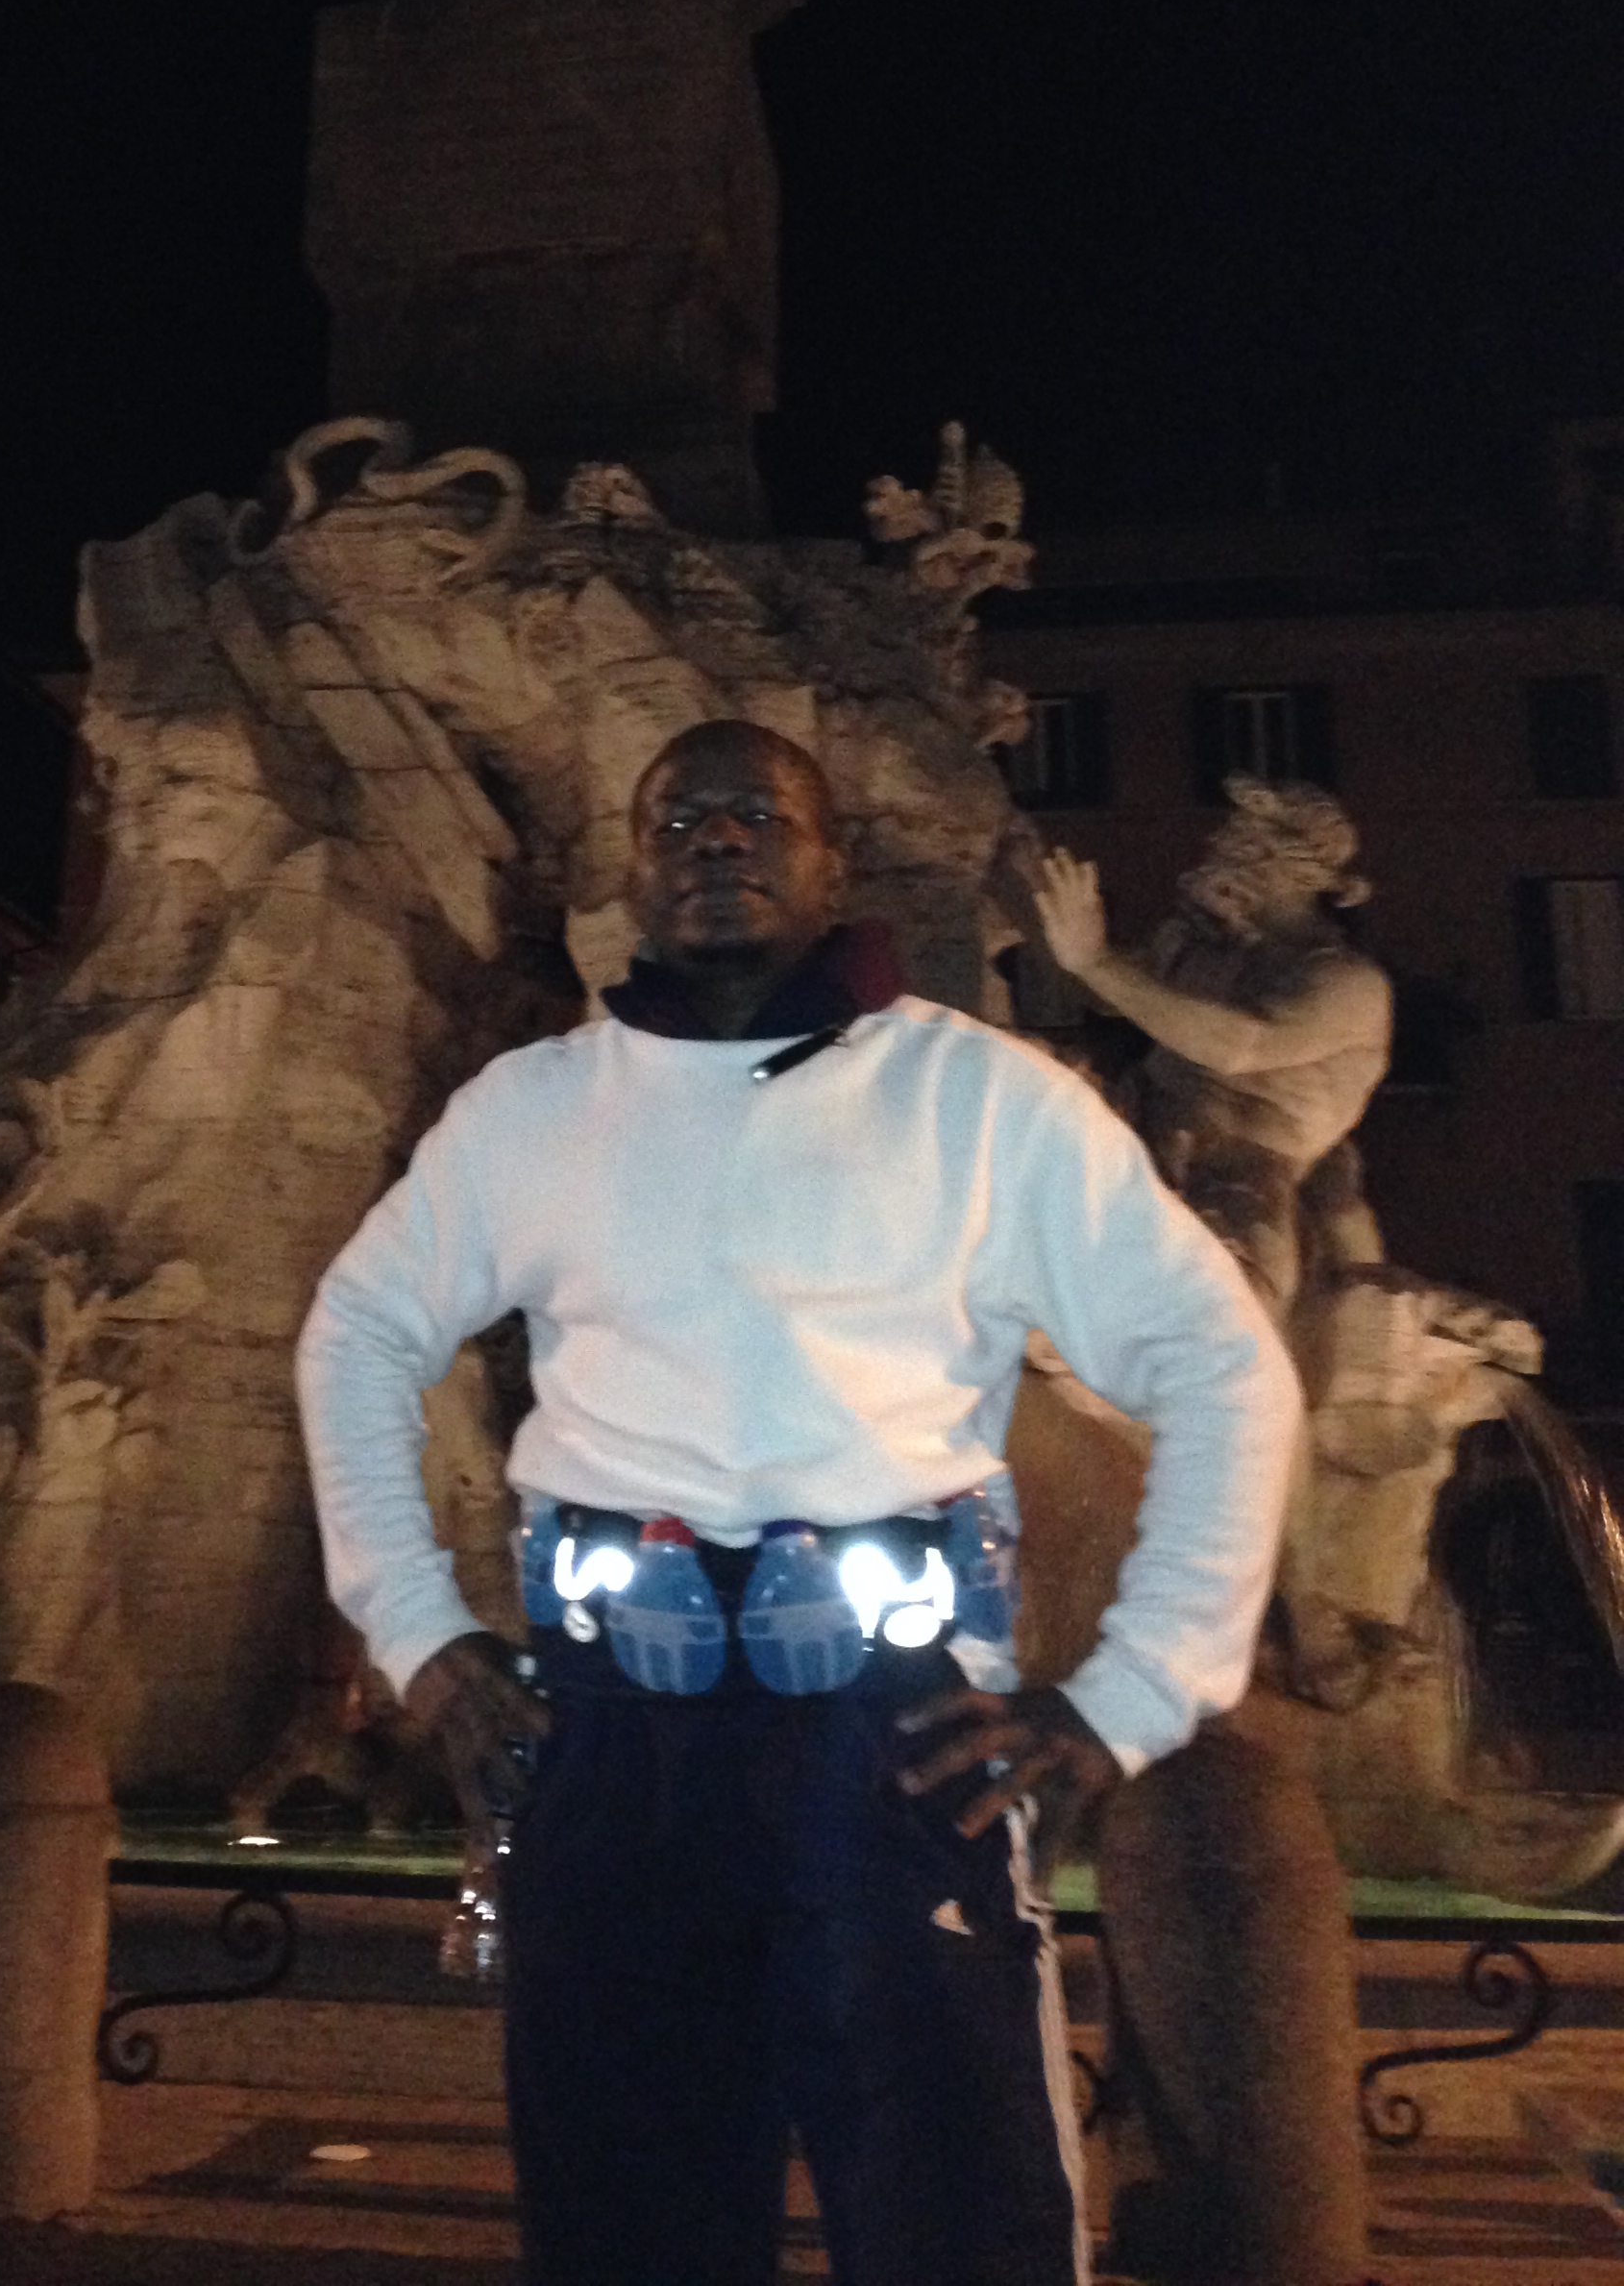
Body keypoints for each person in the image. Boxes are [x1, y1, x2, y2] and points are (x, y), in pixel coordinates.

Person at [297, 720, 1301, 2286]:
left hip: (890, 1738)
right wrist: (419, 1629)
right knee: (624, 2227)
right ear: (633, 873)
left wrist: (1132, 1691)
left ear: (833, 866)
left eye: (758, 813)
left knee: (954, 2220)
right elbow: (356, 1331)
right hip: (609, 1733)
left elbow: (1222, 1361)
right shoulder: (530, 1108)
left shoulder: (980, 1098)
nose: (715, 836)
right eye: (676, 816)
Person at [1027, 777, 1392, 1319]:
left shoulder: (1349, 984)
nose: (1217, 847)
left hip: (1242, 1181)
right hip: (1132, 1137)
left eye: (1241, 841)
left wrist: (1095, 962)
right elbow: (1111, 995)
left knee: (1218, 1310)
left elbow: (1239, 1046)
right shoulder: (1204, 949)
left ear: (1292, 866)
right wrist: (1026, 891)